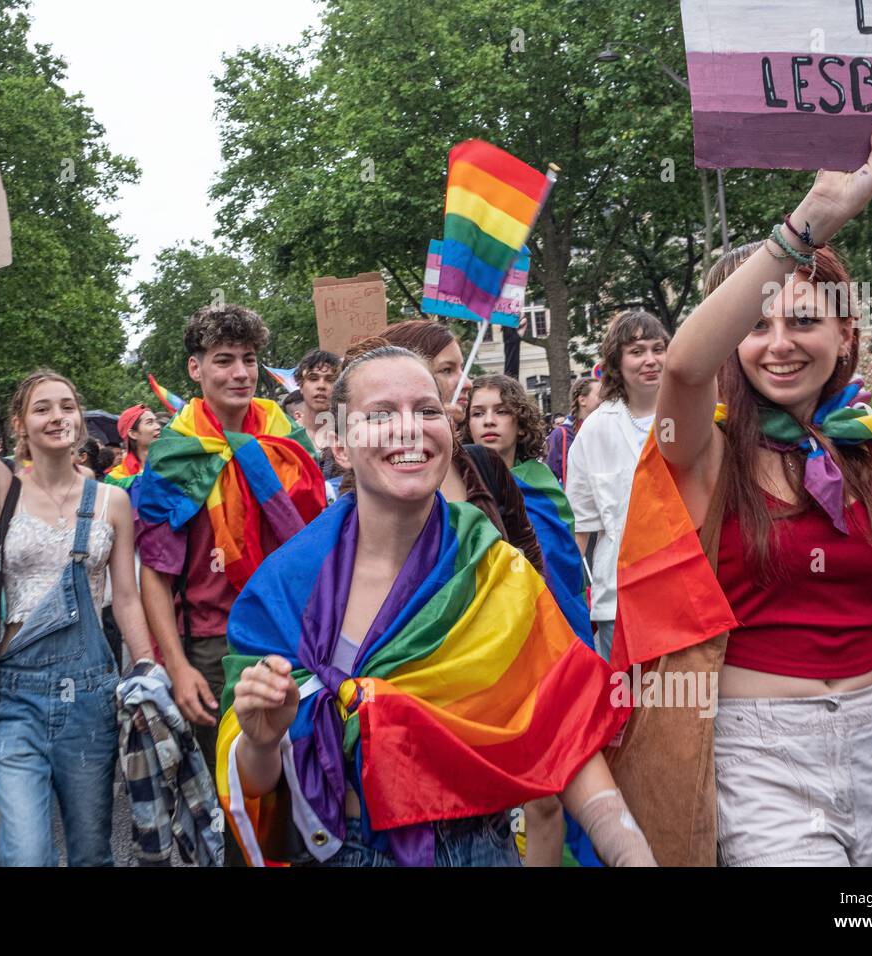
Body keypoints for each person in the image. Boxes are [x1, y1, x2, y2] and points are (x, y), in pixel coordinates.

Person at [635, 127, 872, 865]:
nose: (778, 342)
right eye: (755, 325)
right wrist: (812, 216)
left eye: (804, 320)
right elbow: (683, 369)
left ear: (845, 337)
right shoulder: (703, 451)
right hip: (759, 751)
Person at [217, 345, 656, 867]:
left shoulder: (491, 566)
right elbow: (259, 791)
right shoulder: (286, 588)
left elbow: (562, 726)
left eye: (428, 411)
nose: (410, 430)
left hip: (483, 848)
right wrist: (262, 743)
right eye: (381, 415)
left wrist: (626, 845)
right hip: (349, 851)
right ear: (338, 444)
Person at [0, 270, 157, 867]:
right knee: (24, 853)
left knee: (92, 851)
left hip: (93, 698)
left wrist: (147, 667)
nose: (58, 415)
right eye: (42, 408)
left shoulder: (113, 502)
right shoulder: (0, 489)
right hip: (14, 696)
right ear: (20, 425)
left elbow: (126, 598)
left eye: (67, 405)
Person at [136, 304, 326, 829]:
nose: (240, 373)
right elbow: (154, 571)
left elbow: (317, 537)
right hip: (217, 647)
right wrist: (177, 668)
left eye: (249, 359)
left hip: (298, 632)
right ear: (196, 369)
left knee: (310, 790)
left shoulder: (287, 433)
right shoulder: (174, 452)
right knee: (239, 803)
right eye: (224, 360)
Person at [465, 374, 600, 867]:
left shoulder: (544, 488)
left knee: (551, 786)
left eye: (499, 411)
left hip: (552, 649)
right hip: (489, 658)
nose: (488, 421)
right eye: (477, 412)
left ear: (520, 421)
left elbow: (564, 577)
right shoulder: (455, 489)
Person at [351, 320, 545, 577]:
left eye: (462, 368)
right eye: (447, 370)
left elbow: (530, 559)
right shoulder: (365, 480)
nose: (466, 383)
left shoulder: (485, 463)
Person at [564, 310, 669, 663]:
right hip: (620, 600)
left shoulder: (694, 415)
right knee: (627, 708)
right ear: (617, 361)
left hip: (687, 591)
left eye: (659, 348)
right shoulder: (595, 430)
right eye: (637, 351)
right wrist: (563, 599)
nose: (651, 360)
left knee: (687, 708)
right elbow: (580, 525)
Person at [545, 376, 601, 486]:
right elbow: (550, 480)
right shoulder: (560, 435)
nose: (604, 399)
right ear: (582, 400)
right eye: (600, 395)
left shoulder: (608, 429)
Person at [105, 403, 159, 490]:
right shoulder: (115, 478)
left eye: (156, 421)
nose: (158, 427)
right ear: (133, 434)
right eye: (149, 422)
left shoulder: (170, 463)